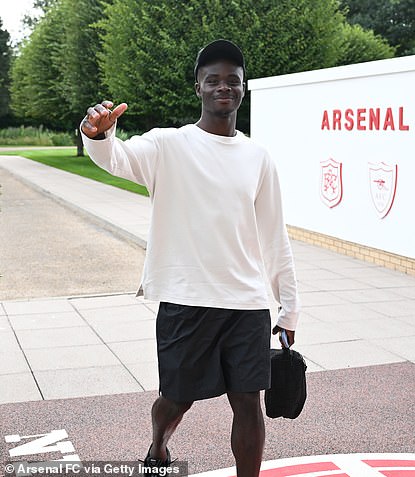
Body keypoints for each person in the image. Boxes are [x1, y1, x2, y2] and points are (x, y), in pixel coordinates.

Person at [79, 39, 300, 477]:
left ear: (243, 88)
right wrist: (98, 133)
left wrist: (290, 305)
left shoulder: (258, 157)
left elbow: (275, 236)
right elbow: (116, 157)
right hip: (187, 300)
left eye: (232, 80)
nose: (224, 87)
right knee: (176, 400)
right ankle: (158, 445)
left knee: (248, 403)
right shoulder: (167, 145)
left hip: (246, 303)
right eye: (213, 80)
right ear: (198, 86)